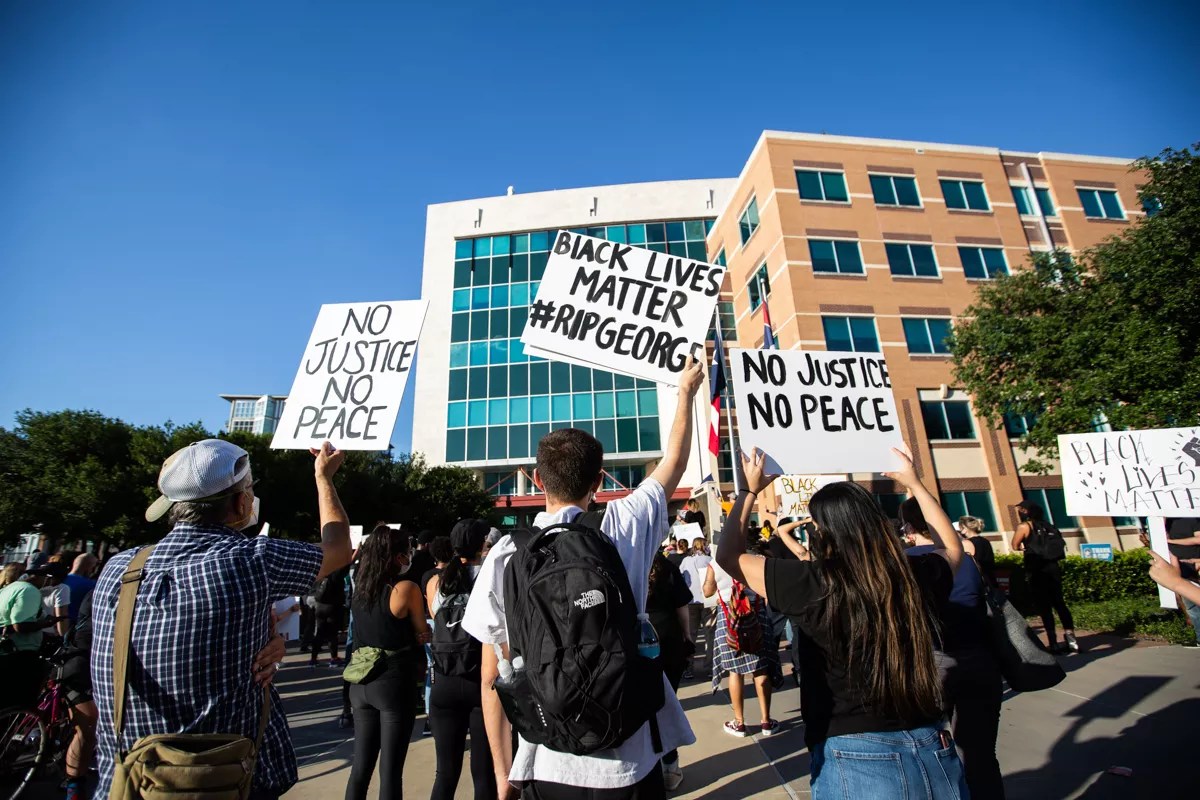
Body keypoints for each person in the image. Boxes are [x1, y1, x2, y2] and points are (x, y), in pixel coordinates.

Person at [463, 355, 704, 800]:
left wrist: (503, 778)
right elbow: (674, 463)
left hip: (547, 756)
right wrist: (685, 392)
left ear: (537, 479)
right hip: (630, 757)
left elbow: (491, 679)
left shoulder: (505, 554)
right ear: (597, 482)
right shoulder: (622, 526)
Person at [90, 439, 353, 800]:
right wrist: (323, 477)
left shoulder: (119, 569)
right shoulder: (252, 560)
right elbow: (338, 549)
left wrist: (262, 635)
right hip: (222, 781)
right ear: (241, 503)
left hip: (127, 783)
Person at [716, 446, 968, 800]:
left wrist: (748, 491)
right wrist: (915, 484)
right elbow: (953, 550)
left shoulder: (811, 582)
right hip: (931, 741)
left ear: (825, 532)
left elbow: (728, 556)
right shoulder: (909, 576)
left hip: (853, 750)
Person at [903, 500, 1005, 800]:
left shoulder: (905, 562)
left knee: (928, 752)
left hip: (930, 663)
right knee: (981, 755)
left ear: (909, 528)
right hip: (981, 662)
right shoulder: (970, 561)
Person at [344, 527, 429, 800]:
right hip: (393, 682)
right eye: (406, 553)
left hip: (360, 682)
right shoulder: (405, 589)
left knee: (361, 767)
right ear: (397, 557)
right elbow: (420, 633)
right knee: (391, 770)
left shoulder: (361, 589)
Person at [425, 519, 495, 800]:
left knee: (445, 772)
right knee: (483, 772)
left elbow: (435, 619)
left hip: (444, 679)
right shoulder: (490, 577)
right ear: (483, 545)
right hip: (480, 679)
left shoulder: (436, 582)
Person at [707, 544, 777, 737]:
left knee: (735, 672)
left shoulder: (716, 563)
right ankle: (766, 721)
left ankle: (739, 722)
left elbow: (707, 591)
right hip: (756, 616)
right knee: (760, 669)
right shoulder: (756, 560)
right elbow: (767, 589)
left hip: (729, 620)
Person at [645, 551, 694, 790]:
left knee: (645, 709)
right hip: (668, 640)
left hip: (640, 643)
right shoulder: (668, 568)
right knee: (667, 704)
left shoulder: (628, 561)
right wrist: (687, 635)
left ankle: (650, 766)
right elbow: (682, 607)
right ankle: (670, 767)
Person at [1011, 500, 1077, 653]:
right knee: (1060, 604)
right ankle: (1072, 641)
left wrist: (1025, 547)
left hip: (1036, 569)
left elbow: (1015, 545)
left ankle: (1053, 642)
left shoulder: (1025, 526)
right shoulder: (1050, 526)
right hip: (1053, 568)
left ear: (1025, 512)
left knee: (1044, 606)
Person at [0, 561, 64, 709]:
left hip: (6, 650)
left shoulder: (10, 588)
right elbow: (20, 625)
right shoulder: (29, 591)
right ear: (46, 577)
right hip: (18, 654)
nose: (51, 585)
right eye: (52, 581)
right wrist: (45, 623)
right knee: (18, 704)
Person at [678, 540, 713, 679]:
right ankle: (710, 666)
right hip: (708, 600)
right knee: (710, 635)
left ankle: (689, 667)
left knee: (690, 634)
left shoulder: (686, 561)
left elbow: (681, 577)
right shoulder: (709, 560)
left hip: (691, 601)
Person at [1164, 518, 1200, 644]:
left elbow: (1198, 539)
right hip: (1183, 567)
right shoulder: (1167, 523)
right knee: (1191, 607)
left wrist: (1171, 541)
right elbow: (1170, 551)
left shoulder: (1191, 518)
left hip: (1195, 563)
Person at [310, 564, 348, 668]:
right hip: (333, 606)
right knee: (332, 633)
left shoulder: (321, 572)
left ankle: (313, 659)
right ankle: (333, 658)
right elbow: (349, 562)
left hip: (320, 605)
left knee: (319, 632)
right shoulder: (337, 572)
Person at [27, 561, 72, 637]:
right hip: (47, 634)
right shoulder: (62, 588)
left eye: (40, 575)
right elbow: (61, 617)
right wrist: (64, 638)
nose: (36, 577)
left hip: (28, 631)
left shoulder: (31, 589)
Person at [958, 516, 996, 585]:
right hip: (990, 578)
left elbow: (969, 564)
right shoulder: (985, 541)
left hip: (976, 580)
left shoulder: (967, 543)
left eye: (960, 528)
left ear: (965, 528)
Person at [63, 553, 98, 622]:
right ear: (88, 567)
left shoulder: (61, 580)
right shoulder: (91, 585)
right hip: (75, 626)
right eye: (93, 567)